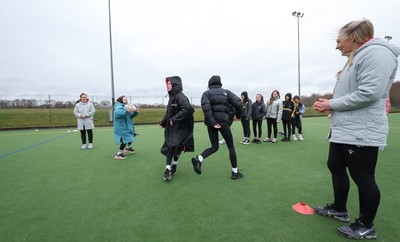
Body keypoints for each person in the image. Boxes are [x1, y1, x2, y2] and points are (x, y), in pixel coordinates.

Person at [313, 19, 399, 240]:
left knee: (363, 177)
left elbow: (370, 93)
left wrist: (331, 104)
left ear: (352, 37)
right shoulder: (357, 57)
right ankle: (339, 209)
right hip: (345, 127)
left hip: (362, 129)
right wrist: (331, 104)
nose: (337, 46)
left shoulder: (377, 53)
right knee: (335, 165)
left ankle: (366, 225)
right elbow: (352, 93)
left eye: (339, 40)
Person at [191, 75, 244, 179]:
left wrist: (212, 121)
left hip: (212, 124)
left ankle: (199, 159)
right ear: (220, 83)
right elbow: (238, 103)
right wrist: (238, 115)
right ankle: (235, 172)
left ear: (210, 83)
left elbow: (206, 108)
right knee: (231, 147)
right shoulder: (226, 92)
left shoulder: (206, 93)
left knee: (214, 147)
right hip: (223, 123)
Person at [160, 76, 195, 181]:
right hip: (172, 128)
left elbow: (188, 108)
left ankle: (174, 164)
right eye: (167, 84)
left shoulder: (180, 96)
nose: (168, 86)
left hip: (181, 128)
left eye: (170, 84)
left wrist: (174, 119)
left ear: (175, 85)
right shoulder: (171, 97)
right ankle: (168, 168)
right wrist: (163, 121)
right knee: (171, 146)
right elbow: (168, 113)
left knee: (176, 146)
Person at [113, 95, 140, 160]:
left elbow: (130, 116)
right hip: (121, 127)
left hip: (127, 126)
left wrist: (136, 112)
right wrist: (127, 111)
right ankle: (118, 154)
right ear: (120, 100)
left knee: (132, 134)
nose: (126, 100)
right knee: (125, 139)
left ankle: (128, 148)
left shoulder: (126, 107)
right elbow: (119, 113)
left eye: (126, 99)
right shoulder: (118, 107)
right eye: (124, 99)